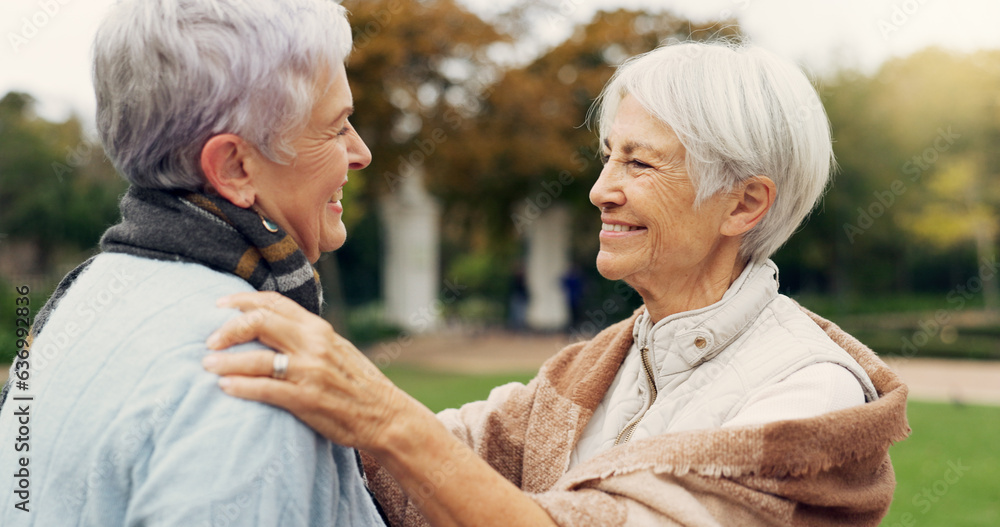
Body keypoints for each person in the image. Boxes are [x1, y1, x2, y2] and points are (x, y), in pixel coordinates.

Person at [202, 41, 910, 526]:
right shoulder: (592, 369)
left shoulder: (808, 398)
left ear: (745, 204)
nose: (602, 189)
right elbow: (426, 468)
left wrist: (382, 415)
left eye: (640, 164)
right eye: (608, 158)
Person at [0, 0, 385, 525]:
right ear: (234, 167)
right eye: (336, 127)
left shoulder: (82, 300)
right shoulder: (254, 372)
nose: (360, 152)